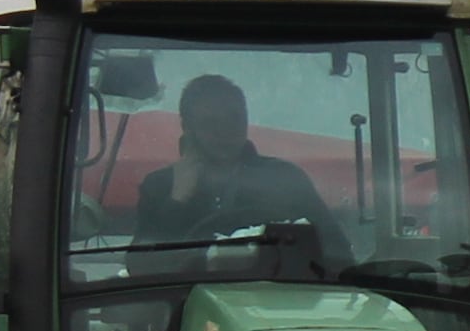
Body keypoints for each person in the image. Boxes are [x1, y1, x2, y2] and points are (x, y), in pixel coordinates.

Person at [133, 74, 328, 248]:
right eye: (210, 122)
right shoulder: (158, 186)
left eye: (235, 119)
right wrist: (177, 200)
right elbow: (142, 264)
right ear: (188, 127)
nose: (225, 131)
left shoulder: (286, 179)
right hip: (184, 288)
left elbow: (336, 251)